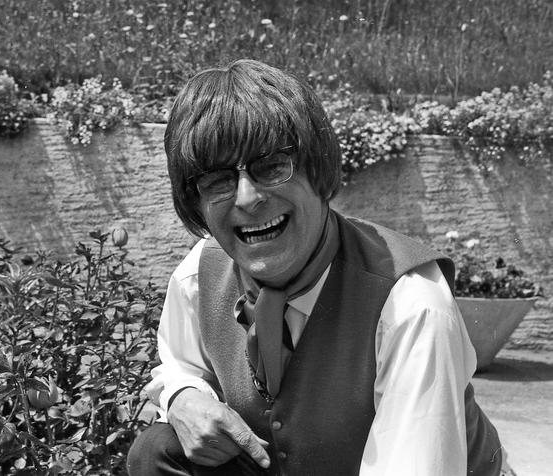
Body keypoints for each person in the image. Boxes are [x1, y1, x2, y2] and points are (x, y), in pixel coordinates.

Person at [127, 59, 507, 475]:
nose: (248, 198)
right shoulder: (201, 273)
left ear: (318, 167)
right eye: (218, 180)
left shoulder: (412, 305)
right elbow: (178, 364)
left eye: (271, 165)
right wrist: (182, 396)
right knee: (158, 450)